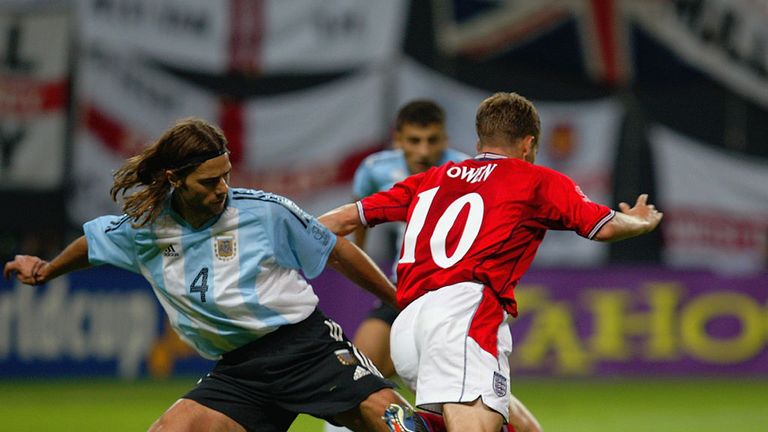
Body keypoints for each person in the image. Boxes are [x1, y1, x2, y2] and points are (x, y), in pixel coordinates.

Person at [3, 117, 429, 432]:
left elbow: (337, 251)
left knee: (393, 422)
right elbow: (93, 244)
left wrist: (396, 298)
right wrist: (46, 269)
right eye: (209, 182)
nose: (222, 188)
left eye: (225, 176)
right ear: (176, 179)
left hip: (306, 349)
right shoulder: (146, 229)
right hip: (240, 371)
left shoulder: (264, 211)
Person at [320, 92, 663, 432]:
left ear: (479, 139)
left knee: (522, 427)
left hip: (408, 327)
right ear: (528, 144)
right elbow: (604, 227)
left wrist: (284, 230)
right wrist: (641, 222)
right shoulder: (536, 180)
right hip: (462, 316)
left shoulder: (432, 179)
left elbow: (346, 218)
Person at [350, 100, 468, 379]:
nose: (423, 151)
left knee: (449, 381)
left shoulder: (467, 171)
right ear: (398, 140)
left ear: (445, 139)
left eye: (432, 140)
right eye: (414, 140)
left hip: (452, 291)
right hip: (402, 286)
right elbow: (357, 215)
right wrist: (361, 259)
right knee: (358, 372)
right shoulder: (374, 170)